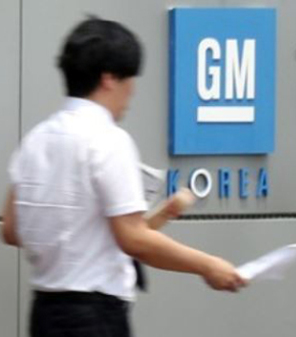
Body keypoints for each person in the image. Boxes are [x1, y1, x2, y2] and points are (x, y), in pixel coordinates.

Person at [1, 16, 247, 337]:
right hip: (95, 318)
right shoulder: (108, 139)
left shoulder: (36, 140)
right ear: (109, 79)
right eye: (131, 79)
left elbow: (12, 229)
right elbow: (133, 240)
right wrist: (209, 265)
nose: (132, 93)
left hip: (44, 314)